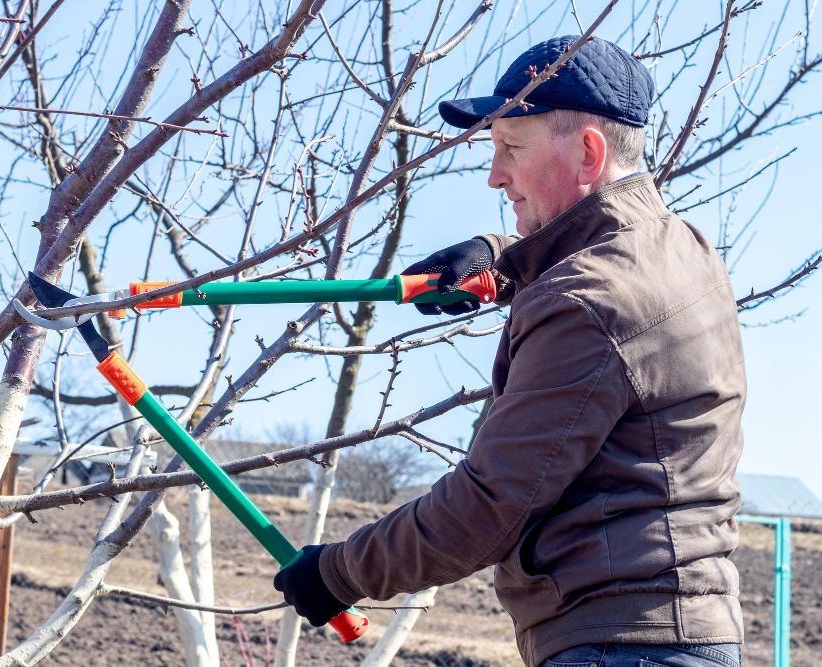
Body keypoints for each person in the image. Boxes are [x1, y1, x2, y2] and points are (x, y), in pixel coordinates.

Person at [274, 35, 746, 667]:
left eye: (511, 148)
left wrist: (336, 573)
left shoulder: (588, 303)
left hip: (618, 646)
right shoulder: (684, 251)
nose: (495, 175)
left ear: (587, 152)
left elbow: (486, 507)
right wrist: (499, 257)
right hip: (680, 634)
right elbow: (602, 262)